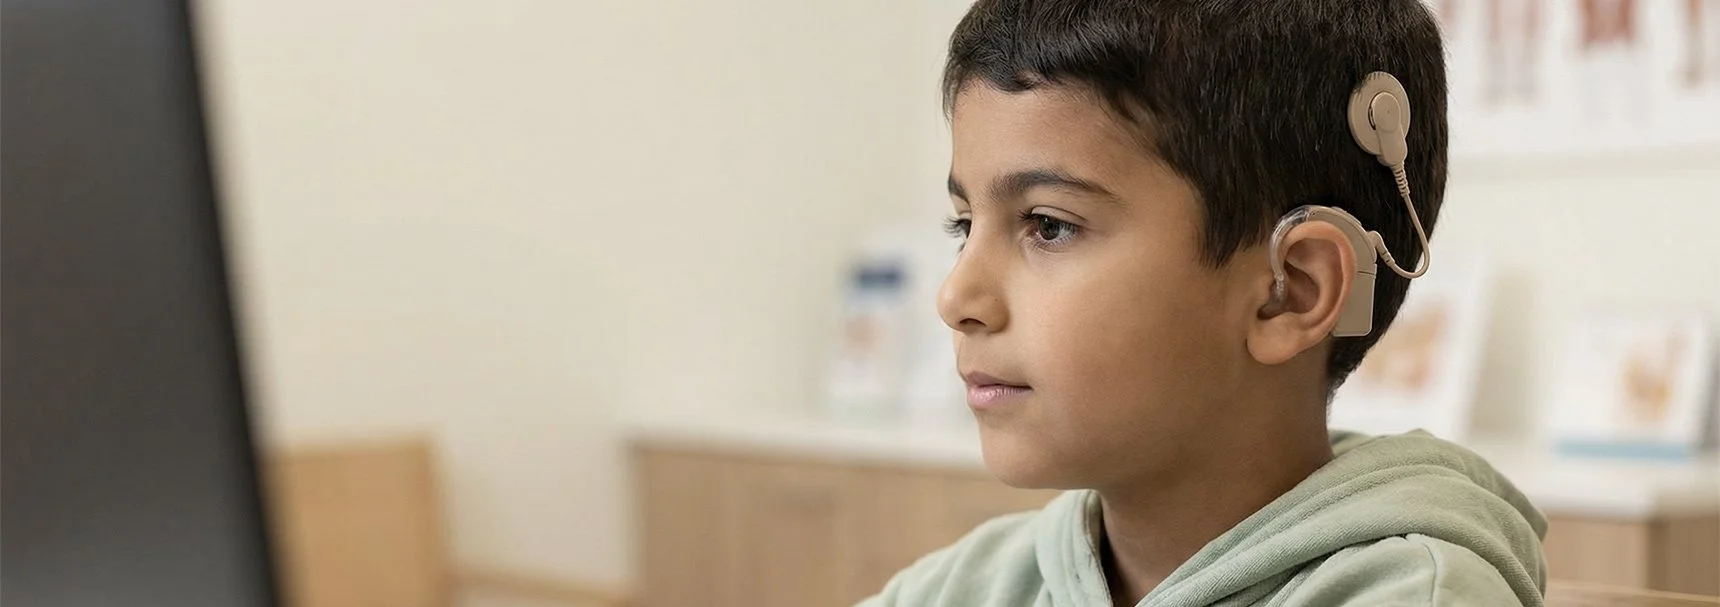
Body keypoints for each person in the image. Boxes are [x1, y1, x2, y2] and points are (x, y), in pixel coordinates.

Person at [859, 1, 1547, 605]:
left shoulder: (1415, 595)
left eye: (1049, 225)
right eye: (963, 225)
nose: (955, 297)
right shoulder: (966, 586)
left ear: (1289, 292)